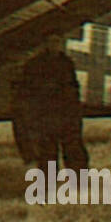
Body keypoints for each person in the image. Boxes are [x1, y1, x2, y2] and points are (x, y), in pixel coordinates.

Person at [15, 34, 88, 171]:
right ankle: (49, 183)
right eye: (51, 41)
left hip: (65, 114)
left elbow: (73, 89)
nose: (54, 45)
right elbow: (27, 91)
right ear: (44, 43)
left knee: (73, 149)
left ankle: (79, 180)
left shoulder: (66, 63)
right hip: (47, 114)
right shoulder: (35, 64)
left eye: (57, 41)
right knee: (47, 151)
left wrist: (75, 114)